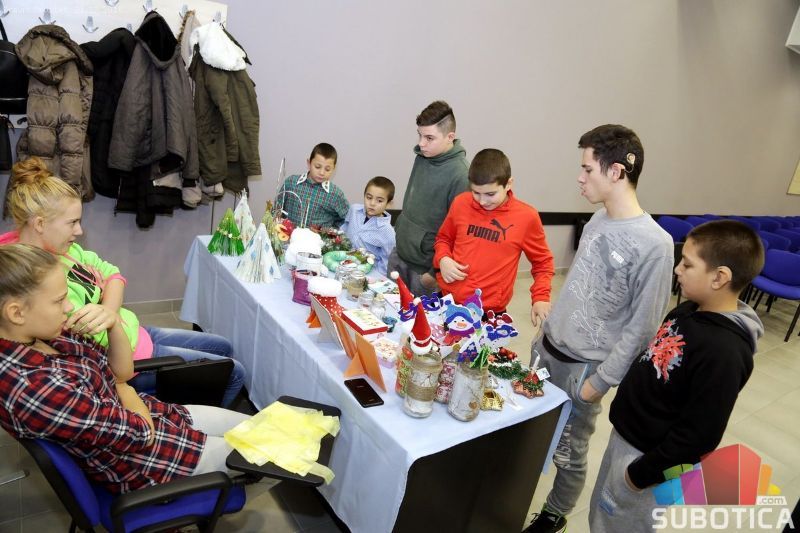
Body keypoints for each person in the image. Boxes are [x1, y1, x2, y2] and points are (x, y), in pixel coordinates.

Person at [0, 244, 251, 494]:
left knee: (257, 429)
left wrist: (114, 324)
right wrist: (123, 388)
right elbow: (141, 433)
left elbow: (121, 374)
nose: (68, 307)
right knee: (265, 452)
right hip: (148, 462)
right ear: (16, 313)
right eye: (59, 300)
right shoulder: (33, 387)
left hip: (155, 415)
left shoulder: (45, 335)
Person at [2, 157, 246, 408]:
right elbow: (93, 346)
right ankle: (202, 422)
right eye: (72, 223)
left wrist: (108, 311)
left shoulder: (64, 249)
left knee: (223, 347)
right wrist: (108, 302)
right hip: (130, 358)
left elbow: (114, 275)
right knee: (234, 373)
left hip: (132, 330)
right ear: (40, 224)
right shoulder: (30, 280)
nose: (79, 231)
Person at [525, 125, 674, 533]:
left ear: (616, 172)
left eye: (587, 169)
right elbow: (579, 284)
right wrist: (547, 332)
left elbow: (643, 328)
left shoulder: (656, 245)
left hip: (584, 369)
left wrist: (602, 380)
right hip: (549, 348)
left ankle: (554, 514)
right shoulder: (597, 219)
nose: (579, 177)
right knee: (533, 430)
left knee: (569, 450)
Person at [589, 220, 764, 532]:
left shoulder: (724, 353)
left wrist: (640, 475)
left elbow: (700, 436)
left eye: (687, 264)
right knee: (603, 513)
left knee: (623, 524)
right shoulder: (686, 312)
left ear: (719, 277)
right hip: (627, 438)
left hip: (649, 463)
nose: (677, 270)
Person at [433, 148, 554, 325]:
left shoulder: (527, 217)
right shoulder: (461, 202)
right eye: (476, 193)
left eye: (490, 194)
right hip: (448, 300)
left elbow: (543, 262)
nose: (482, 201)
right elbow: (443, 239)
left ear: (508, 184)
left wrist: (541, 297)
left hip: (488, 312)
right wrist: (443, 259)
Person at [388, 100, 469, 296]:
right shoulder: (422, 156)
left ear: (450, 137)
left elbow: (460, 234)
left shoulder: (461, 175)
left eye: (429, 138)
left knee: (417, 317)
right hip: (399, 254)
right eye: (420, 135)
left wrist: (433, 274)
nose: (421, 143)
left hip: (424, 271)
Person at [277, 142, 349, 228]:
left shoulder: (336, 195)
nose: (322, 173)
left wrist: (330, 232)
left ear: (333, 168)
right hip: (288, 235)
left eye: (327, 169)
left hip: (318, 236)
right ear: (309, 163)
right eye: (317, 167)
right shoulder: (291, 182)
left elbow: (348, 219)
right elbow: (277, 209)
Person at [341, 176, 396, 276]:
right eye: (369, 197)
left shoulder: (387, 232)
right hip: (342, 262)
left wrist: (374, 278)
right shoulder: (354, 210)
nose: (372, 203)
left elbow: (386, 262)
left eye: (379, 201)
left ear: (388, 204)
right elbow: (344, 229)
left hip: (366, 273)